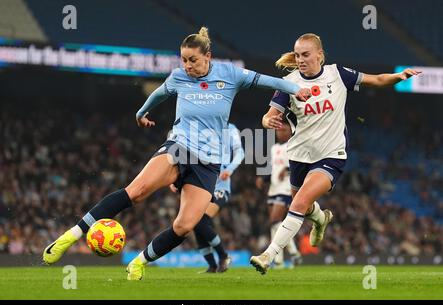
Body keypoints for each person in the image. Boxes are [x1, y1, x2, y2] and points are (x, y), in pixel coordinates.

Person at [42, 26, 311, 280]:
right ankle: (70, 235)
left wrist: (297, 90)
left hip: (209, 163)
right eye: (183, 60)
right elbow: (159, 94)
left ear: (208, 56)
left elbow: (268, 81)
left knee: (185, 225)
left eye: (192, 60)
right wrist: (141, 112)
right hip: (180, 148)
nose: (187, 66)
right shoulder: (179, 77)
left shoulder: (230, 74)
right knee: (136, 191)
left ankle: (139, 263)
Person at [250, 33, 421, 274]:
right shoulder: (289, 83)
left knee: (298, 202)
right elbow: (267, 117)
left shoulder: (338, 74)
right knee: (305, 205)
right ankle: (321, 219)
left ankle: (269, 255)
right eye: (297, 55)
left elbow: (377, 79)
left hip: (331, 154)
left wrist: (398, 77)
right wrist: (270, 122)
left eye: (306, 54)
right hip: (299, 155)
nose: (300, 59)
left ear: (320, 54)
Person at [171, 122, 244, 273]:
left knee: (200, 220)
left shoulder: (230, 129)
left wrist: (229, 169)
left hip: (220, 187)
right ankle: (212, 265)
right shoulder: (196, 128)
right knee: (194, 222)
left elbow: (240, 153)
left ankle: (223, 256)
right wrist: (176, 179)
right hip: (199, 186)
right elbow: (183, 154)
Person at [256, 120, 302, 269]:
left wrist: (287, 170)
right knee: (275, 223)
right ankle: (284, 259)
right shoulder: (274, 148)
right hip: (274, 188)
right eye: (278, 131)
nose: (279, 133)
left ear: (290, 132)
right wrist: (262, 178)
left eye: (283, 130)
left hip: (287, 187)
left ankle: (287, 256)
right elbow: (272, 167)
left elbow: (300, 165)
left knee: (275, 219)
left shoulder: (293, 145)